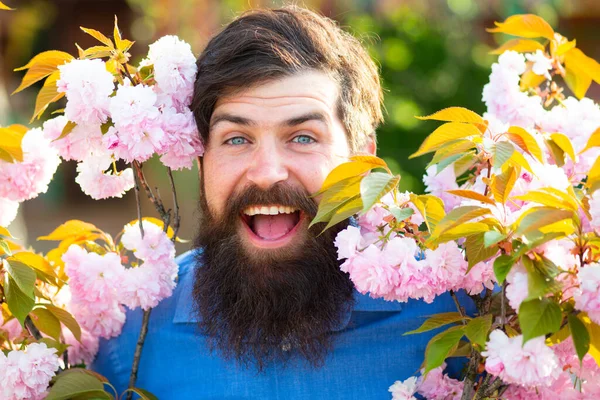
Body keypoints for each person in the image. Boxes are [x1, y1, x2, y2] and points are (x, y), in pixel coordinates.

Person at [92, 6, 473, 398]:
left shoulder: (459, 316)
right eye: (236, 138)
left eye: (303, 137)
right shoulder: (128, 337)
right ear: (200, 160)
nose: (267, 172)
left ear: (363, 161)